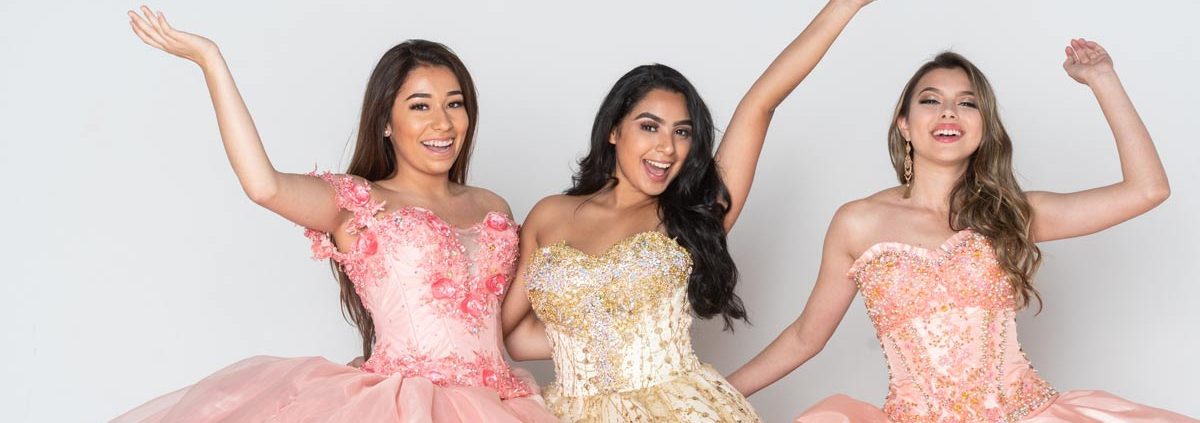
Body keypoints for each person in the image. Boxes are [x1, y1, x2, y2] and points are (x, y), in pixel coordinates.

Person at [116, 7, 556, 422]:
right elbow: (263, 185)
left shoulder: (492, 207)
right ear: (386, 122)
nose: (442, 123)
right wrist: (210, 60)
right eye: (420, 106)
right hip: (402, 406)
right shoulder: (359, 202)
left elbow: (503, 327)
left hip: (502, 404)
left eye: (454, 104)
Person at [727, 40, 1197, 422]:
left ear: (983, 128)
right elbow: (806, 337)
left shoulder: (1011, 214)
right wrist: (712, 392)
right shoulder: (857, 222)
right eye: (931, 101)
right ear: (905, 126)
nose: (949, 112)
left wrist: (1103, 80)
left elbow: (1147, 190)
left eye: (967, 103)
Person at [499, 1, 874, 420]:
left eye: (682, 132)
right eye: (649, 126)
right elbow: (511, 334)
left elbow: (762, 103)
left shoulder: (694, 214)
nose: (667, 146)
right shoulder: (549, 215)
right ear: (612, 130)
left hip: (679, 408)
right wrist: (588, 340)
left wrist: (845, 6)